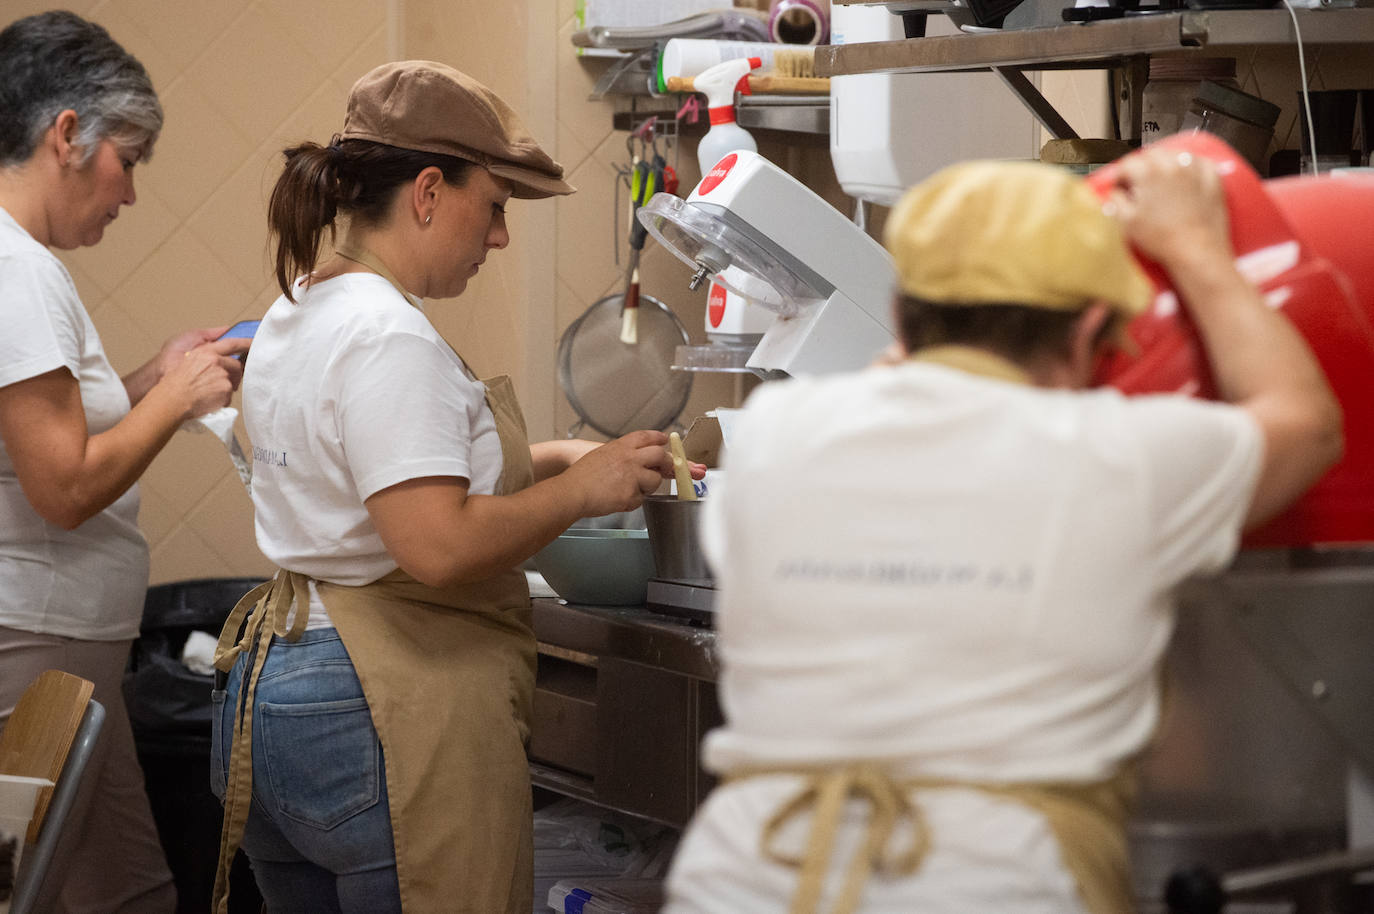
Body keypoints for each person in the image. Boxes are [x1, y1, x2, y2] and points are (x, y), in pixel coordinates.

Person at [661, 149, 1343, 914]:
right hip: (993, 884)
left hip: (747, 879)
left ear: (901, 316)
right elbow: (1306, 424)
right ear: (1090, 330)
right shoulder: (1118, 455)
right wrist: (1195, 247)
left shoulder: (772, 438)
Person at [210, 60, 693, 914]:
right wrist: (587, 494)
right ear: (428, 191)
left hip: (275, 697)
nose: (499, 237)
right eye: (496, 207)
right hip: (377, 707)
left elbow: (376, 476)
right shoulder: (390, 335)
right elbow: (436, 545)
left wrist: (561, 459)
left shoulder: (301, 308)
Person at [0, 11, 250, 913]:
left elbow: (50, 428)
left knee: (124, 892)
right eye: (129, 159)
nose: (130, 193)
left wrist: (156, 376)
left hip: (56, 637)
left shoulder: (21, 266)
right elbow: (62, 486)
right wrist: (177, 397)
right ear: (66, 134)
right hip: (35, 638)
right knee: (109, 895)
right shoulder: (15, 269)